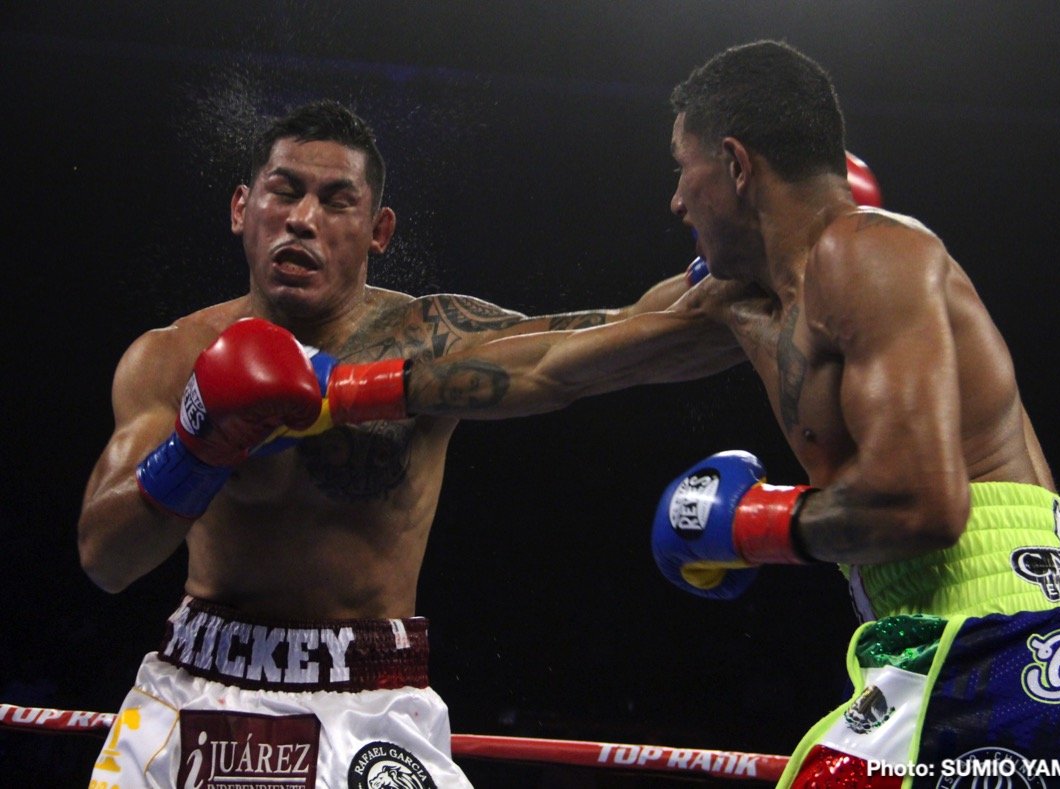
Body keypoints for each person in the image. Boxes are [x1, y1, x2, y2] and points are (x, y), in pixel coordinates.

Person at [381, 40, 1060, 787]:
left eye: (683, 168)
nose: (675, 200)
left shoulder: (869, 251)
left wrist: (752, 525)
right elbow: (555, 363)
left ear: (735, 164)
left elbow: (924, 501)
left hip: (996, 649)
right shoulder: (747, 300)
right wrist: (353, 391)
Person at [76, 99, 733, 789]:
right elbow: (105, 557)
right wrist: (196, 446)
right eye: (284, 190)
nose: (303, 218)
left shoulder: (430, 338)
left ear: (378, 230)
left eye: (337, 201)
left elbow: (617, 336)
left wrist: (742, 258)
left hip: (371, 701)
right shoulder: (171, 356)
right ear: (243, 207)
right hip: (201, 690)